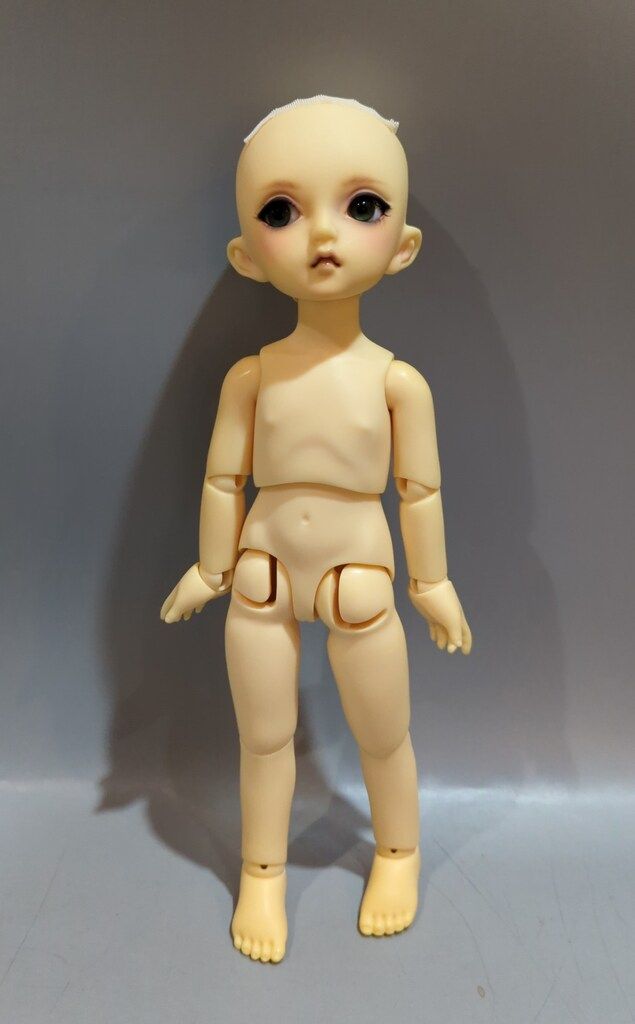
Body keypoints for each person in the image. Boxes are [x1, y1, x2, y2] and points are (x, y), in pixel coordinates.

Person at [160, 95, 472, 964]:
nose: (323, 235)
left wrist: (432, 583)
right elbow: (223, 479)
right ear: (246, 255)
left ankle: (398, 855)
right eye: (281, 212)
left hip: (357, 579)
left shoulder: (397, 383)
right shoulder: (251, 377)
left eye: (361, 205)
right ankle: (261, 873)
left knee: (383, 733)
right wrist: (209, 568)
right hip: (259, 573)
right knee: (262, 739)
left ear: (401, 245)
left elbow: (418, 491)